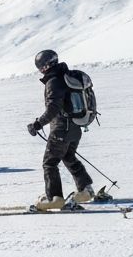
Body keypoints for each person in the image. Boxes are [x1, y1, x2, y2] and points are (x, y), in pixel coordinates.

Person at [27, 50, 95, 210]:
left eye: (40, 67)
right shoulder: (67, 76)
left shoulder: (54, 81)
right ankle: (86, 190)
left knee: (49, 163)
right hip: (75, 128)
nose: (40, 70)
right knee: (68, 157)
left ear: (44, 66)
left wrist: (37, 124)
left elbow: (53, 108)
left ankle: (55, 198)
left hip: (61, 129)